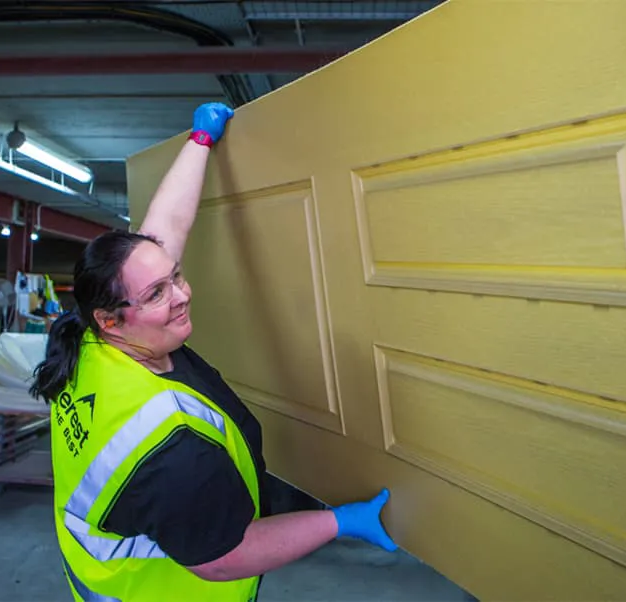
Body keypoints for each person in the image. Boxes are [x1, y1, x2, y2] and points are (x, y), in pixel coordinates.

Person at [30, 102, 398, 602]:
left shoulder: (89, 339)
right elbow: (225, 558)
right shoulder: (169, 448)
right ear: (110, 318)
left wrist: (198, 142)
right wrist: (338, 522)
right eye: (157, 294)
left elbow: (162, 232)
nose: (182, 295)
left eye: (175, 277)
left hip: (102, 570)